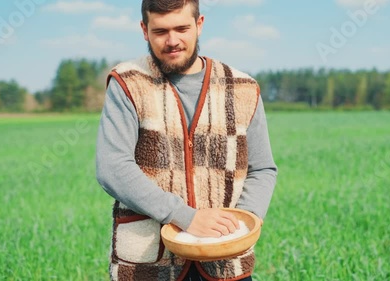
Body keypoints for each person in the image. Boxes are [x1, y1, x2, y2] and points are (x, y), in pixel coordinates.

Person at [95, 0, 277, 280]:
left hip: (225, 264)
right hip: (148, 265)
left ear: (199, 25)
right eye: (160, 31)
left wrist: (240, 225)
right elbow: (113, 168)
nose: (172, 41)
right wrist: (186, 217)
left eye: (182, 28)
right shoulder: (127, 83)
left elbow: (262, 168)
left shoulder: (243, 88)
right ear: (144, 30)